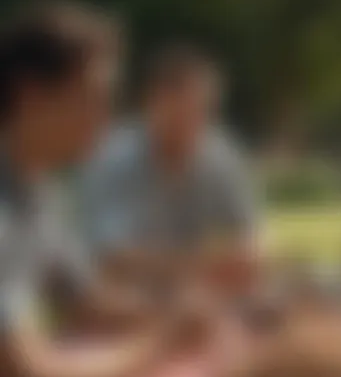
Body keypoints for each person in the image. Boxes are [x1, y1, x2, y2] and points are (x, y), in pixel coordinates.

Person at [0, 0, 208, 377]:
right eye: (93, 98)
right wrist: (159, 343)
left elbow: (83, 298)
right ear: (31, 93)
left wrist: (175, 315)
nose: (107, 119)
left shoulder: (37, 188)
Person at [80, 44, 260, 294]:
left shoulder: (220, 156)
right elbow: (109, 257)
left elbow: (248, 237)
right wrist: (200, 265)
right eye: (184, 110)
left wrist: (244, 256)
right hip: (118, 300)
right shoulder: (112, 158)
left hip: (194, 296)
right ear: (151, 103)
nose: (194, 123)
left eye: (203, 110)